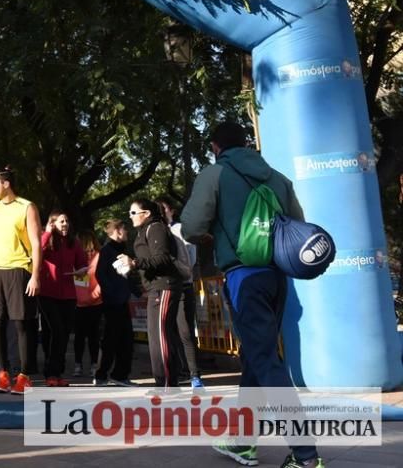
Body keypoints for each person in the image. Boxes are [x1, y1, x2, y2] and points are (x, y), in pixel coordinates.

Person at [181, 121, 323, 468]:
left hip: (243, 276)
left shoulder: (214, 174)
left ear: (215, 146)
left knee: (267, 363)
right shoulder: (275, 176)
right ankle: (243, 443)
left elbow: (191, 227)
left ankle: (305, 456)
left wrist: (216, 235)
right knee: (256, 359)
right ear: (246, 142)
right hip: (277, 277)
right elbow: (298, 221)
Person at [0, 166, 42, 396]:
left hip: (19, 270)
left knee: (21, 323)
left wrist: (35, 275)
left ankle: (23, 376)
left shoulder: (27, 206)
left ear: (6, 184)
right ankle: (3, 376)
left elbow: (36, 243)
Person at [115, 198, 184, 395]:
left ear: (145, 213)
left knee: (161, 336)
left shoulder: (155, 228)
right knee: (156, 336)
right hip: (156, 288)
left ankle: (168, 385)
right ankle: (162, 383)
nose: (130, 217)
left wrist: (135, 262)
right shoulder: (146, 230)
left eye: (133, 213)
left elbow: (162, 258)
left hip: (164, 286)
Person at [156, 195, 203, 392]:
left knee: (185, 332)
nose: (161, 212)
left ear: (171, 210)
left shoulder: (179, 229)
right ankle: (177, 371)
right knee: (168, 332)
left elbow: (190, 257)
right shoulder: (156, 231)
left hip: (183, 286)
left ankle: (195, 375)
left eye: (164, 209)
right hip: (164, 288)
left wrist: (182, 273)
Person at [38, 211, 89, 387]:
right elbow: (37, 252)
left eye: (67, 221)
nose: (65, 224)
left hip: (68, 295)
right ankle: (51, 373)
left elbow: (83, 264)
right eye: (61, 221)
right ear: (52, 224)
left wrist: (82, 270)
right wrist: (46, 232)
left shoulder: (74, 242)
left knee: (64, 334)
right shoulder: (47, 240)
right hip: (47, 294)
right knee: (56, 332)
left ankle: (57, 373)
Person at [93, 219, 138, 387]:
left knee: (125, 339)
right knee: (111, 339)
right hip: (113, 302)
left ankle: (119, 374)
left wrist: (137, 291)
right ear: (118, 231)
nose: (127, 233)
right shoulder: (107, 250)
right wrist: (112, 293)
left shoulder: (119, 250)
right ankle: (102, 375)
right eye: (125, 230)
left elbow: (124, 276)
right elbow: (100, 274)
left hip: (121, 300)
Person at [72, 230, 102, 378]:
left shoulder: (98, 257)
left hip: (96, 303)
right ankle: (78, 364)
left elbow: (103, 276)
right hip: (78, 304)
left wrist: (98, 290)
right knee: (79, 336)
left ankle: (94, 364)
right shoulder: (75, 258)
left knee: (93, 336)